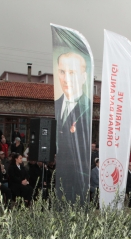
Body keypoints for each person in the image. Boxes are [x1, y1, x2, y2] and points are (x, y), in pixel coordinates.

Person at [54, 50, 92, 203]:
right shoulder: (55, 106)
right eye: (62, 72)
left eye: (72, 73)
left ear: (83, 77)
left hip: (78, 177)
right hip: (59, 176)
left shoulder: (88, 108)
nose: (66, 78)